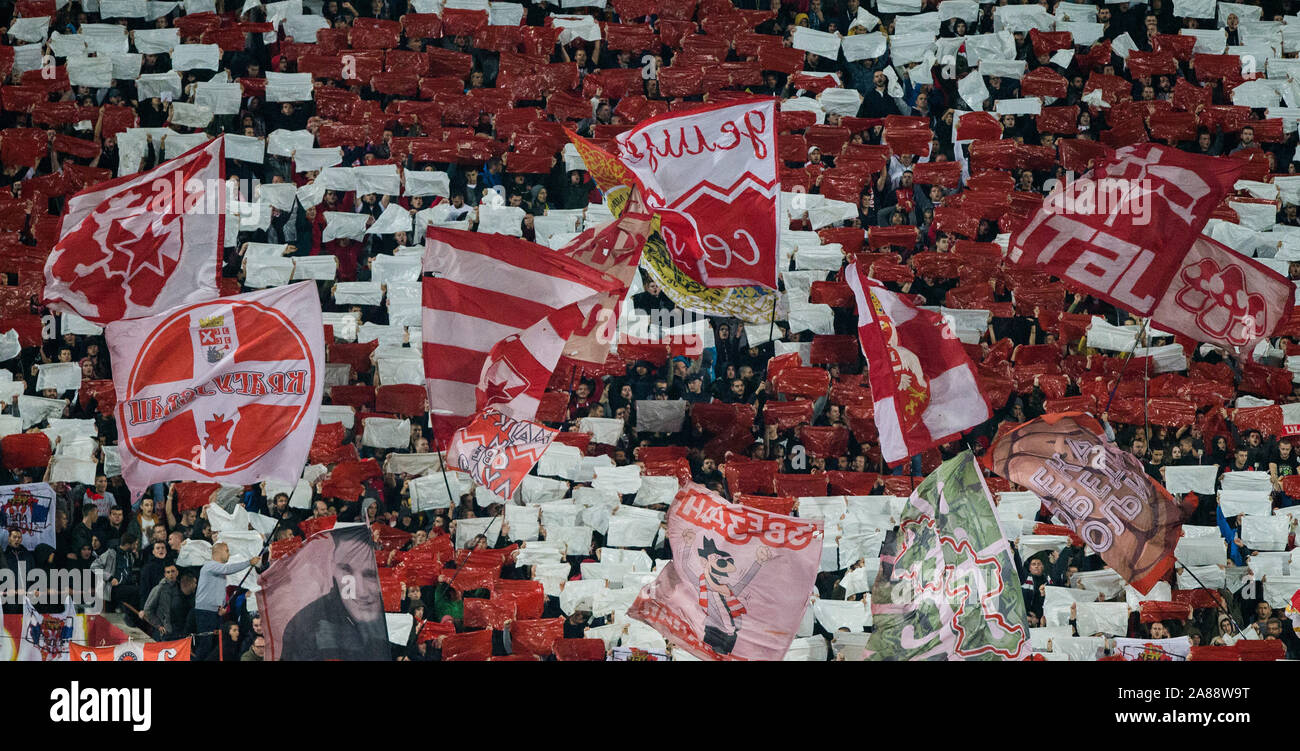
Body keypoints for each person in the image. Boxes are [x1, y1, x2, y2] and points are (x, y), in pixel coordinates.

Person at [194, 543, 261, 662]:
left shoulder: (217, 571)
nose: (228, 553)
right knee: (206, 645)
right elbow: (227, 569)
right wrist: (248, 562)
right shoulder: (209, 566)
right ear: (218, 552)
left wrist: (222, 607)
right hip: (205, 612)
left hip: (214, 612)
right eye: (227, 550)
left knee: (215, 646)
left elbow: (217, 590)